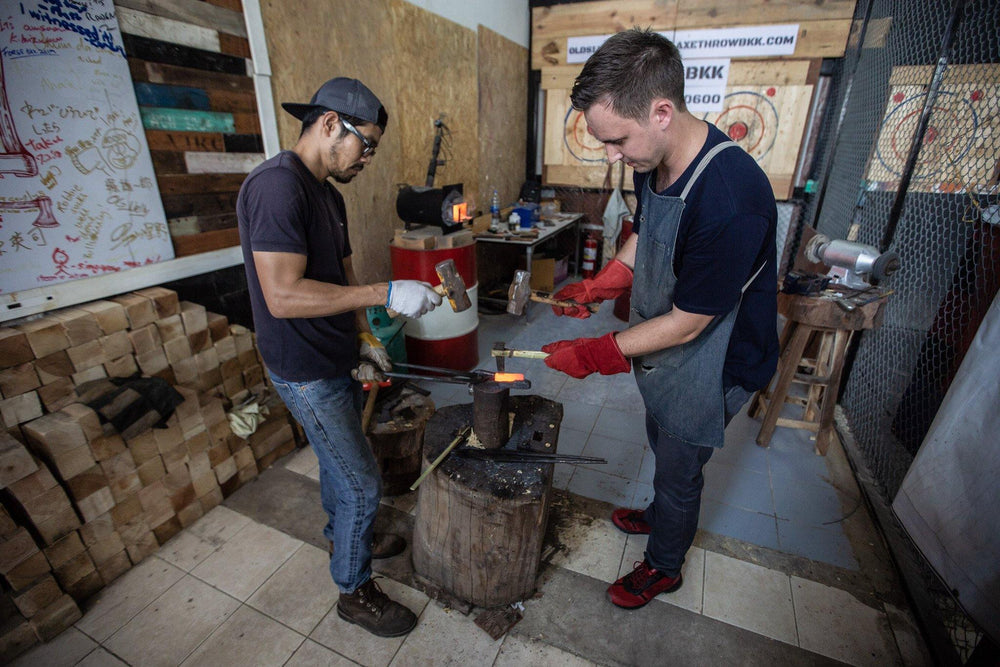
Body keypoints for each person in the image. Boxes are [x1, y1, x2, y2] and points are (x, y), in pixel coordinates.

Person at [542, 29, 779, 610]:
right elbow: (648, 236)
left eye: (617, 140)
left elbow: (691, 322)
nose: (611, 156)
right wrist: (602, 285)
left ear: (661, 111)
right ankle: (661, 513)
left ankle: (665, 565)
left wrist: (600, 353)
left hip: (717, 358)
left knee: (679, 467)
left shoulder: (729, 195)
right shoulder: (656, 159)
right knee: (660, 435)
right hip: (671, 345)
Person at [237, 77, 442, 637]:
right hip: (304, 369)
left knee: (339, 466)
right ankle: (354, 592)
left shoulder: (328, 193)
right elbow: (282, 295)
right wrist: (386, 292)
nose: (369, 158)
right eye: (366, 144)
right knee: (361, 484)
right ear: (330, 124)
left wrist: (365, 339)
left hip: (336, 356)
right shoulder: (278, 188)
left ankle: (347, 532)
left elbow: (343, 274)